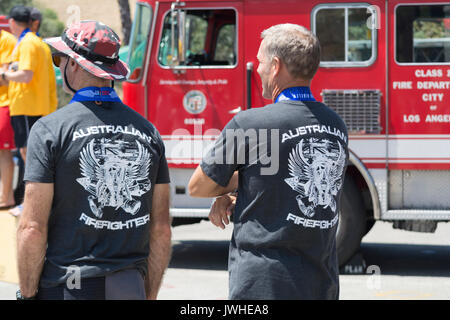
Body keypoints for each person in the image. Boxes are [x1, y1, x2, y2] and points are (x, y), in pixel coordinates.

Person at [189, 24, 349, 300]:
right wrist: (247, 188)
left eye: (260, 61)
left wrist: (230, 189)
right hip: (322, 283)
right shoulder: (336, 126)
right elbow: (295, 185)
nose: (257, 68)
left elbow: (198, 187)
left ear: (275, 66)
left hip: (263, 284)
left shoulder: (250, 124)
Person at [16, 20, 172, 300]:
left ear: (74, 64)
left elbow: (31, 227)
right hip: (128, 284)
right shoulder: (148, 131)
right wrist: (147, 295)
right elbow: (160, 229)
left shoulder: (50, 129)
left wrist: (27, 294)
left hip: (69, 284)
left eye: (58, 59)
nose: (57, 66)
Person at [1, 6, 56, 216]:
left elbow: (26, 75)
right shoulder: (34, 42)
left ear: (14, 22)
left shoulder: (28, 43)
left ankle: (31, 204)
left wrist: (4, 77)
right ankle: (31, 203)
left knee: (28, 154)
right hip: (31, 106)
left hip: (27, 106)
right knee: (30, 155)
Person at [0, 27, 17, 209]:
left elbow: (4, 78)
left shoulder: (7, 41)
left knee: (4, 151)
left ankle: (6, 197)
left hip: (5, 102)